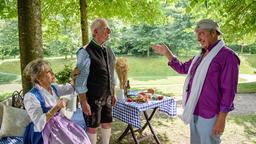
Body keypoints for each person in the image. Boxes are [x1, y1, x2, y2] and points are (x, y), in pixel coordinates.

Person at [152, 19, 240, 144]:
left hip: (211, 113)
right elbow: (183, 68)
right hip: (194, 109)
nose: (198, 38)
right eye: (197, 34)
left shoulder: (228, 56)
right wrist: (167, 53)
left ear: (213, 33)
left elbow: (229, 91)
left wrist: (222, 119)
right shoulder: (200, 56)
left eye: (201, 33)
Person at [23, 58, 90, 144]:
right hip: (45, 131)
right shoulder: (31, 96)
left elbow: (70, 87)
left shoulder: (53, 87)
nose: (53, 74)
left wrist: (74, 77)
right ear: (39, 77)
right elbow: (39, 123)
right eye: (49, 72)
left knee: (82, 139)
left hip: (60, 123)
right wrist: (57, 107)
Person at [75, 18, 117, 144]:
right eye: (105, 29)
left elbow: (112, 73)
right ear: (95, 32)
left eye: (109, 28)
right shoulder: (85, 51)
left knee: (107, 122)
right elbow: (80, 79)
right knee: (92, 126)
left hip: (108, 95)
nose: (109, 31)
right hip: (92, 97)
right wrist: (83, 101)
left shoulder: (109, 50)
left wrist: (113, 92)